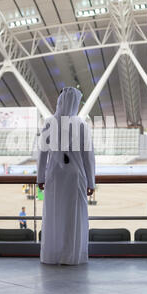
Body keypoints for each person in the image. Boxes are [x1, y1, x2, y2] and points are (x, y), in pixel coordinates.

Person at [37, 86, 95, 265]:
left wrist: (40, 178)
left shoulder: (48, 123)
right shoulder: (81, 125)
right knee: (73, 217)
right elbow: (88, 157)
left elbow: (42, 154)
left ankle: (52, 254)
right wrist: (91, 182)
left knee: (54, 215)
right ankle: (72, 255)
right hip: (76, 178)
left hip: (54, 178)